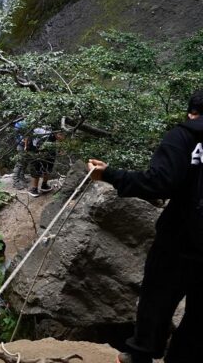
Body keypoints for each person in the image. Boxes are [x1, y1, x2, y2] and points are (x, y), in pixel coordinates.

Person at [88, 90, 203, 363]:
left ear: (191, 113)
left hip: (180, 238)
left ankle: (140, 355)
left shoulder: (183, 136)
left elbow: (160, 182)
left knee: (157, 299)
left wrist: (110, 174)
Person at [27, 126, 56, 197]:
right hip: (49, 151)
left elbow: (29, 139)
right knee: (47, 168)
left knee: (37, 169)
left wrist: (28, 149)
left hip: (37, 151)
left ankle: (35, 189)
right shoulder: (52, 126)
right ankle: (44, 185)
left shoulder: (34, 127)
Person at [12, 119, 28, 189]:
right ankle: (15, 182)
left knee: (25, 161)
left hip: (24, 144)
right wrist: (25, 145)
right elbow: (24, 136)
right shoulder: (20, 123)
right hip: (21, 145)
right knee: (19, 163)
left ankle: (22, 177)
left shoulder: (23, 122)